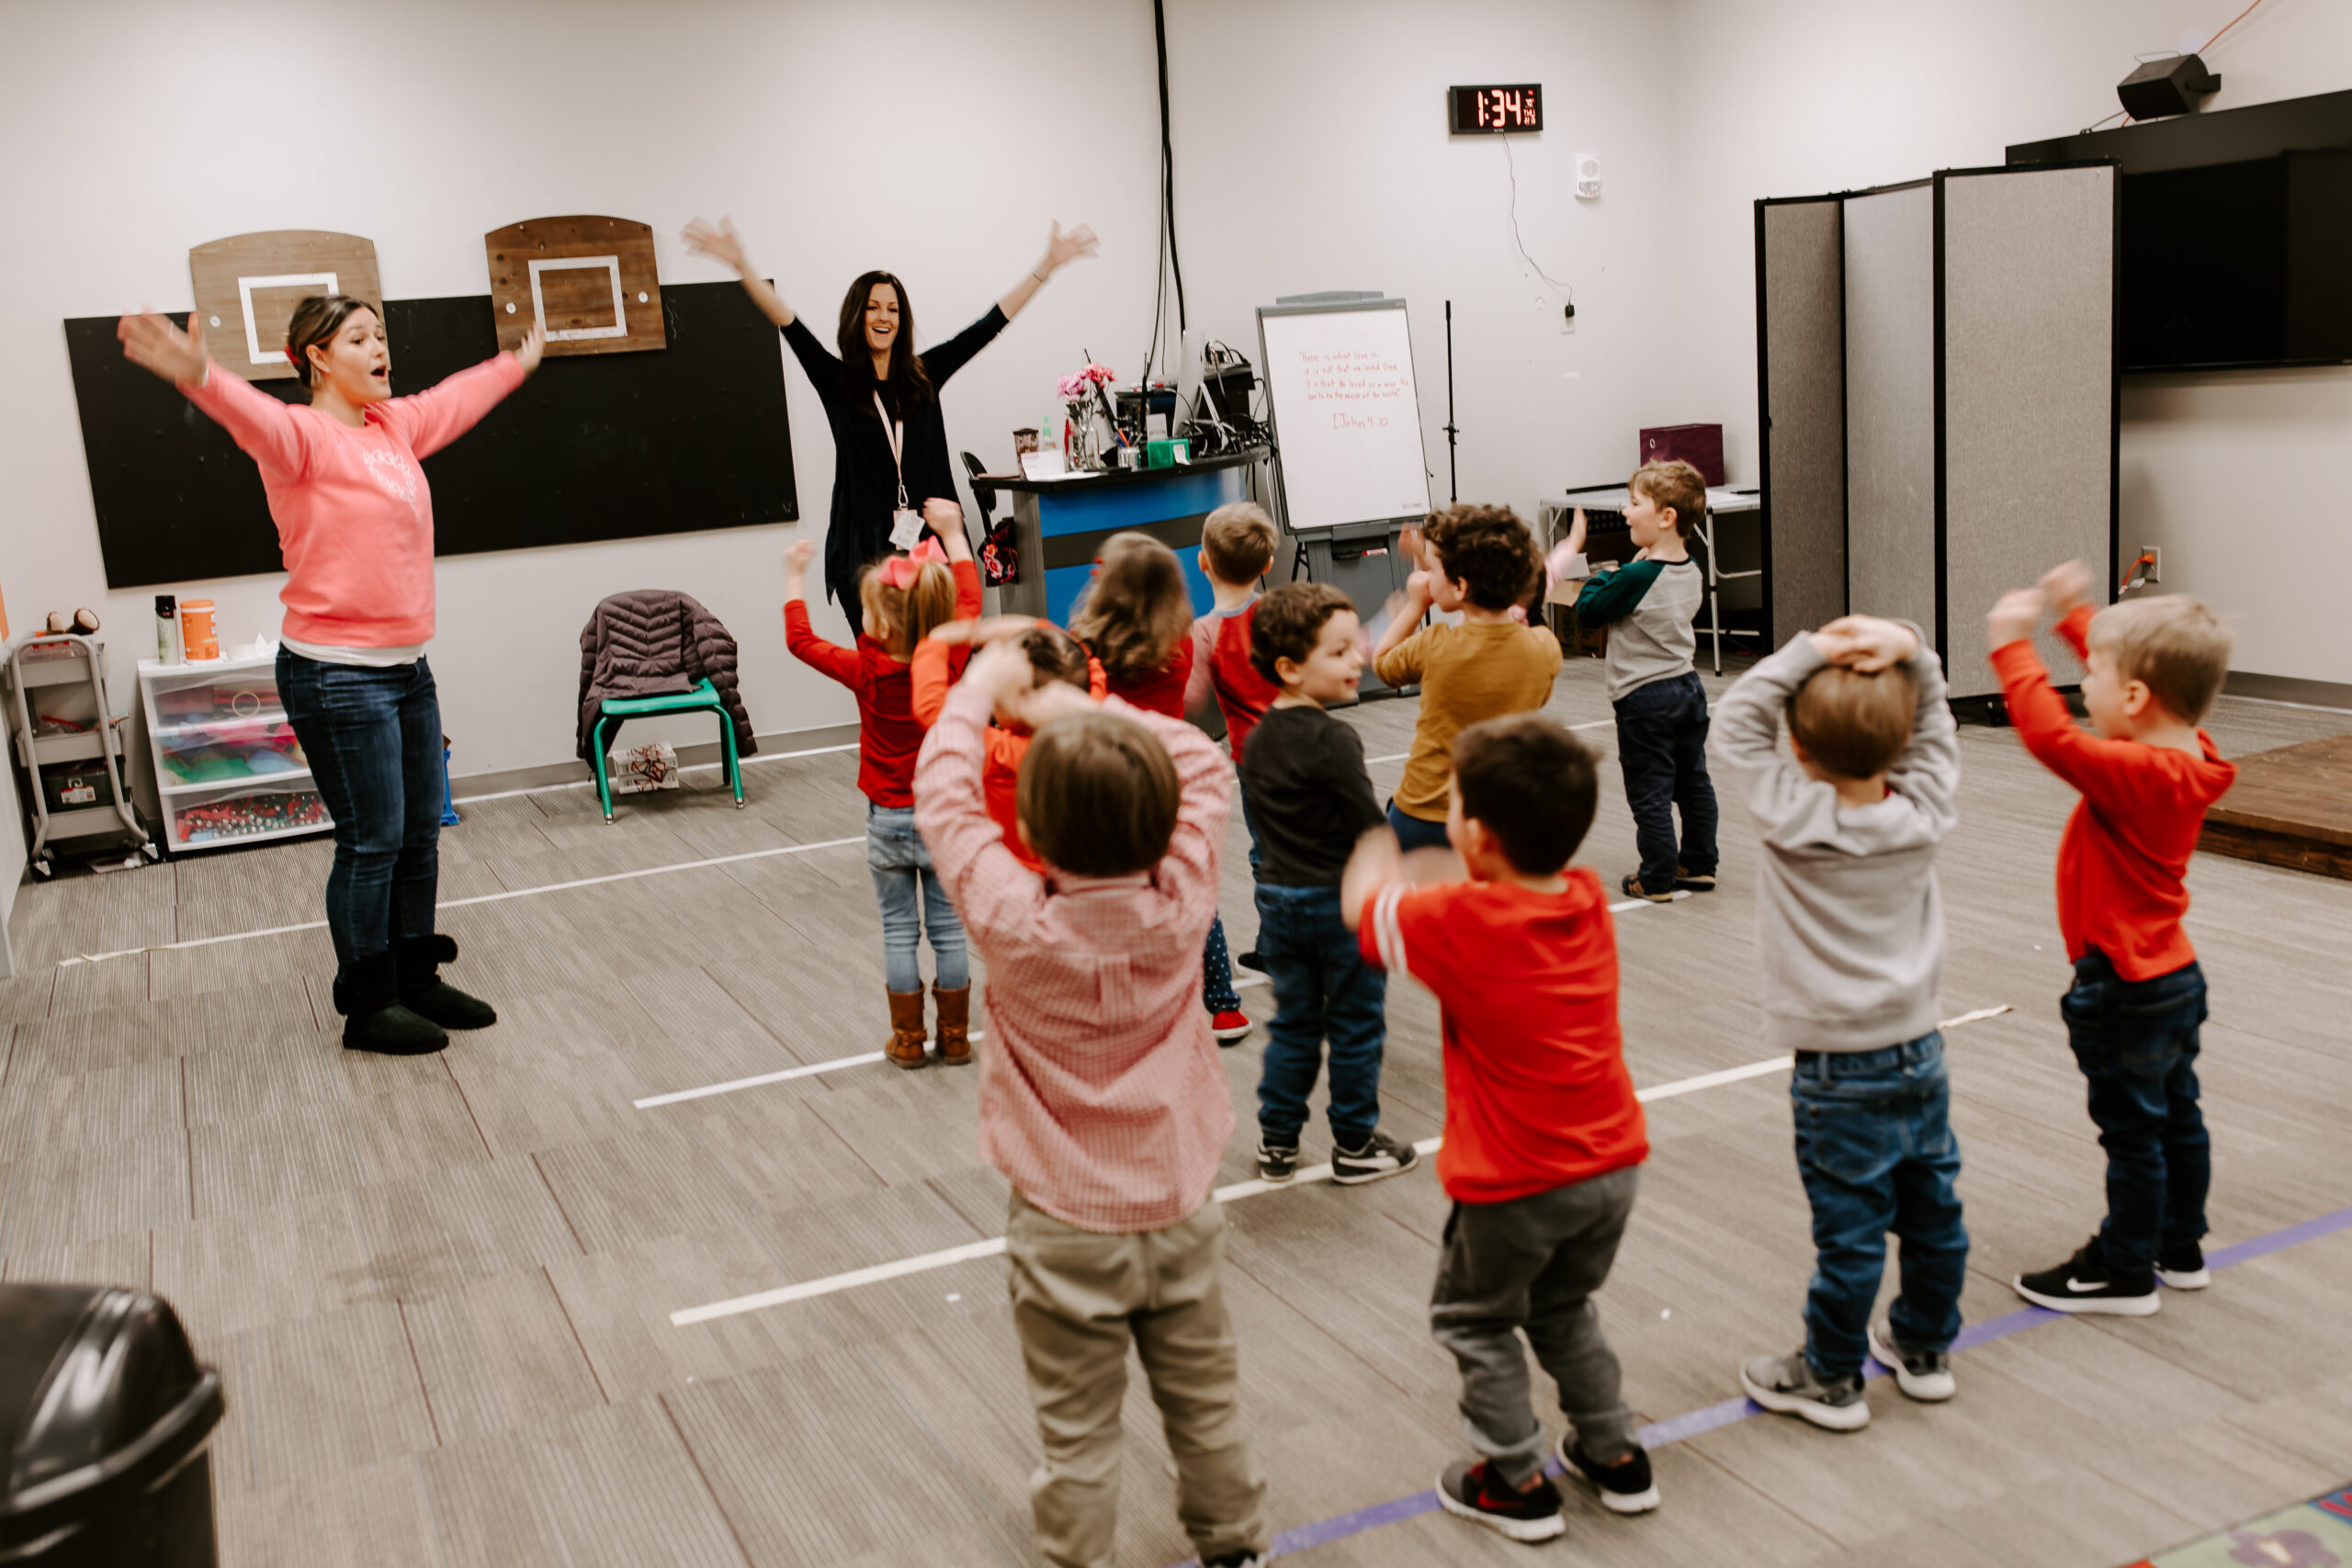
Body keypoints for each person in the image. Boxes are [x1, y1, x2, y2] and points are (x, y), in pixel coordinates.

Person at [914, 638, 1272, 1568]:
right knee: (1206, 1401)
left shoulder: (1010, 918)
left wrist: (983, 691)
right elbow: (1200, 760)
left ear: (1032, 822)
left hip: (1061, 1223)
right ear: (1160, 817)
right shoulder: (1184, 902)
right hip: (1180, 1205)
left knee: (1076, 1432)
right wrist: (1076, 704)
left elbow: (944, 797)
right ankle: (1234, 1544)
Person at [116, 299, 541, 1055]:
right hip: (336, 674)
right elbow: (251, 416)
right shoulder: (303, 438)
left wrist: (517, 363)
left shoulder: (393, 426)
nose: (381, 349)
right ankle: (368, 1005)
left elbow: (455, 399)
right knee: (372, 839)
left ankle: (416, 978)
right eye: (359, 338)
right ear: (316, 356)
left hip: (407, 668)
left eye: (382, 335)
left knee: (419, 833)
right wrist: (200, 374)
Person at [1342, 714, 1658, 1541]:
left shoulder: (1459, 923)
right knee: (1563, 1305)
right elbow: (1485, 884)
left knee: (1474, 1318)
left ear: (1478, 836)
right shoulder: (1583, 897)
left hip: (1517, 1181)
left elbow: (1368, 912)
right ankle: (1616, 1452)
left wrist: (1376, 850)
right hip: (1612, 1164)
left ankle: (1514, 1478)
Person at [1711, 615, 1967, 1431]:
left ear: (1798, 748)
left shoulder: (1790, 815)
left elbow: (1734, 719)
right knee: (1934, 1212)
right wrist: (1911, 652)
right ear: (1901, 741)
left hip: (1833, 1065)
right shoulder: (1922, 812)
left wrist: (1812, 649)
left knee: (1851, 1231)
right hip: (1920, 1050)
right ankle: (1924, 1347)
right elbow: (1936, 727)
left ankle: (1829, 1373)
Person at [1989, 563, 2237, 1316]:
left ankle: (2123, 1267)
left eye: (2090, 675)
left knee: (2132, 1134)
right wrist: (2078, 619)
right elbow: (2136, 676)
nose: (2083, 684)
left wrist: (2012, 647)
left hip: (2121, 984)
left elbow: (2050, 736)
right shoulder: (2192, 751)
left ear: (2133, 698)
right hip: (2173, 976)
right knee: (2178, 1115)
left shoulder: (2136, 772)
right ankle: (2179, 1245)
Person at [684, 215, 1097, 609]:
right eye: (873, 307)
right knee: (880, 661)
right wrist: (740, 264)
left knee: (938, 655)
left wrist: (1046, 266)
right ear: (856, 315)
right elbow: (789, 323)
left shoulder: (925, 374)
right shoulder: (838, 382)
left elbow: (988, 325)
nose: (884, 317)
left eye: (893, 309)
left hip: (931, 544)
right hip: (864, 553)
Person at [782, 504, 981, 1068]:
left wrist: (795, 576)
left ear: (884, 626)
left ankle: (909, 1041)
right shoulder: (949, 658)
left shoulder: (864, 670)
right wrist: (953, 534)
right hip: (945, 817)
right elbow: (970, 601)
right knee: (949, 930)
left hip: (888, 818)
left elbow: (801, 641)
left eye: (867, 612)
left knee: (899, 931)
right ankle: (956, 1037)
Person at [1241, 581, 1417, 1186]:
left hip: (1280, 903)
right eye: (1339, 652)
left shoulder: (1258, 737)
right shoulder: (1334, 739)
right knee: (1355, 1024)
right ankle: (1354, 1142)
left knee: (1294, 1024)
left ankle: (1278, 1140)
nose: (1356, 660)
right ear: (1290, 668)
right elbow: (1368, 827)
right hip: (1339, 905)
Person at [1071, 532, 1251, 1043]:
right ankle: (1224, 1005)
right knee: (1192, 889)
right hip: (1169, 775)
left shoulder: (1087, 648)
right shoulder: (1181, 643)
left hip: (1109, 778)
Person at [1566, 460, 1719, 902]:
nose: (1625, 512)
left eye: (1634, 504)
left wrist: (1606, 575)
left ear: (1666, 517)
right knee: (1693, 780)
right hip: (1687, 688)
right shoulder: (1691, 569)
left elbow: (1588, 610)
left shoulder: (1634, 577)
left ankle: (1656, 876)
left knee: (1648, 787)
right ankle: (1699, 862)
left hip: (1644, 698)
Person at [1372, 505, 1563, 852]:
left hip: (1425, 815)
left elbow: (1383, 664)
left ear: (1460, 586)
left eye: (1433, 569)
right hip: (1500, 818)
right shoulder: (1545, 646)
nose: (1428, 577)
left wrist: (1415, 607)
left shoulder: (1435, 644)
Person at [910, 615, 1098, 874]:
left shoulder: (1002, 753)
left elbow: (932, 709)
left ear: (1018, 703)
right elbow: (1083, 657)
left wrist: (937, 641)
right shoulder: (1095, 728)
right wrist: (1038, 630)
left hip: (1009, 876)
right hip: (1081, 874)